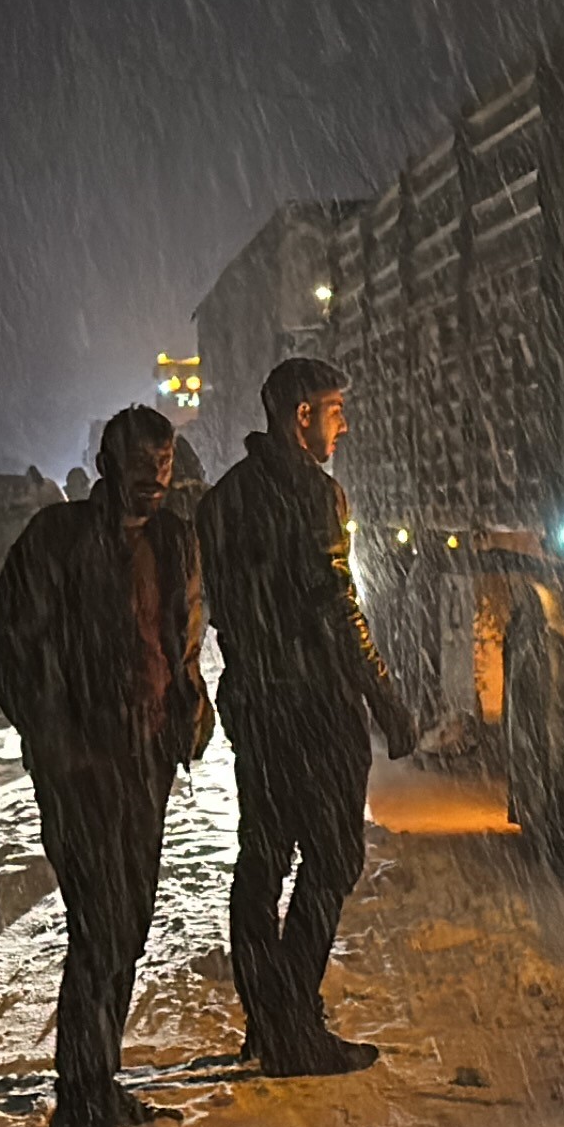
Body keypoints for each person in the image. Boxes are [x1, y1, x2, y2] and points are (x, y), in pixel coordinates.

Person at [0, 405, 212, 1127]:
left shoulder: (176, 541)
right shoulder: (58, 541)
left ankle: (102, 1082)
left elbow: (181, 637)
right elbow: (7, 641)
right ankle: (79, 1105)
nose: (154, 483)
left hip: (144, 757)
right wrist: (56, 736)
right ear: (109, 465)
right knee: (100, 924)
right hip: (81, 765)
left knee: (131, 925)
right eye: (141, 467)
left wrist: (190, 700)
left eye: (165, 467)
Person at [197, 356, 415, 1075]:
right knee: (332, 856)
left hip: (256, 702)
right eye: (333, 410)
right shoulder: (315, 496)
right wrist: (382, 695)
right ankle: (292, 1018)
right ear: (300, 417)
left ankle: (268, 1020)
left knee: (262, 860)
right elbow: (337, 609)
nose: (343, 424)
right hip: (314, 704)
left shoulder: (221, 500)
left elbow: (217, 612)